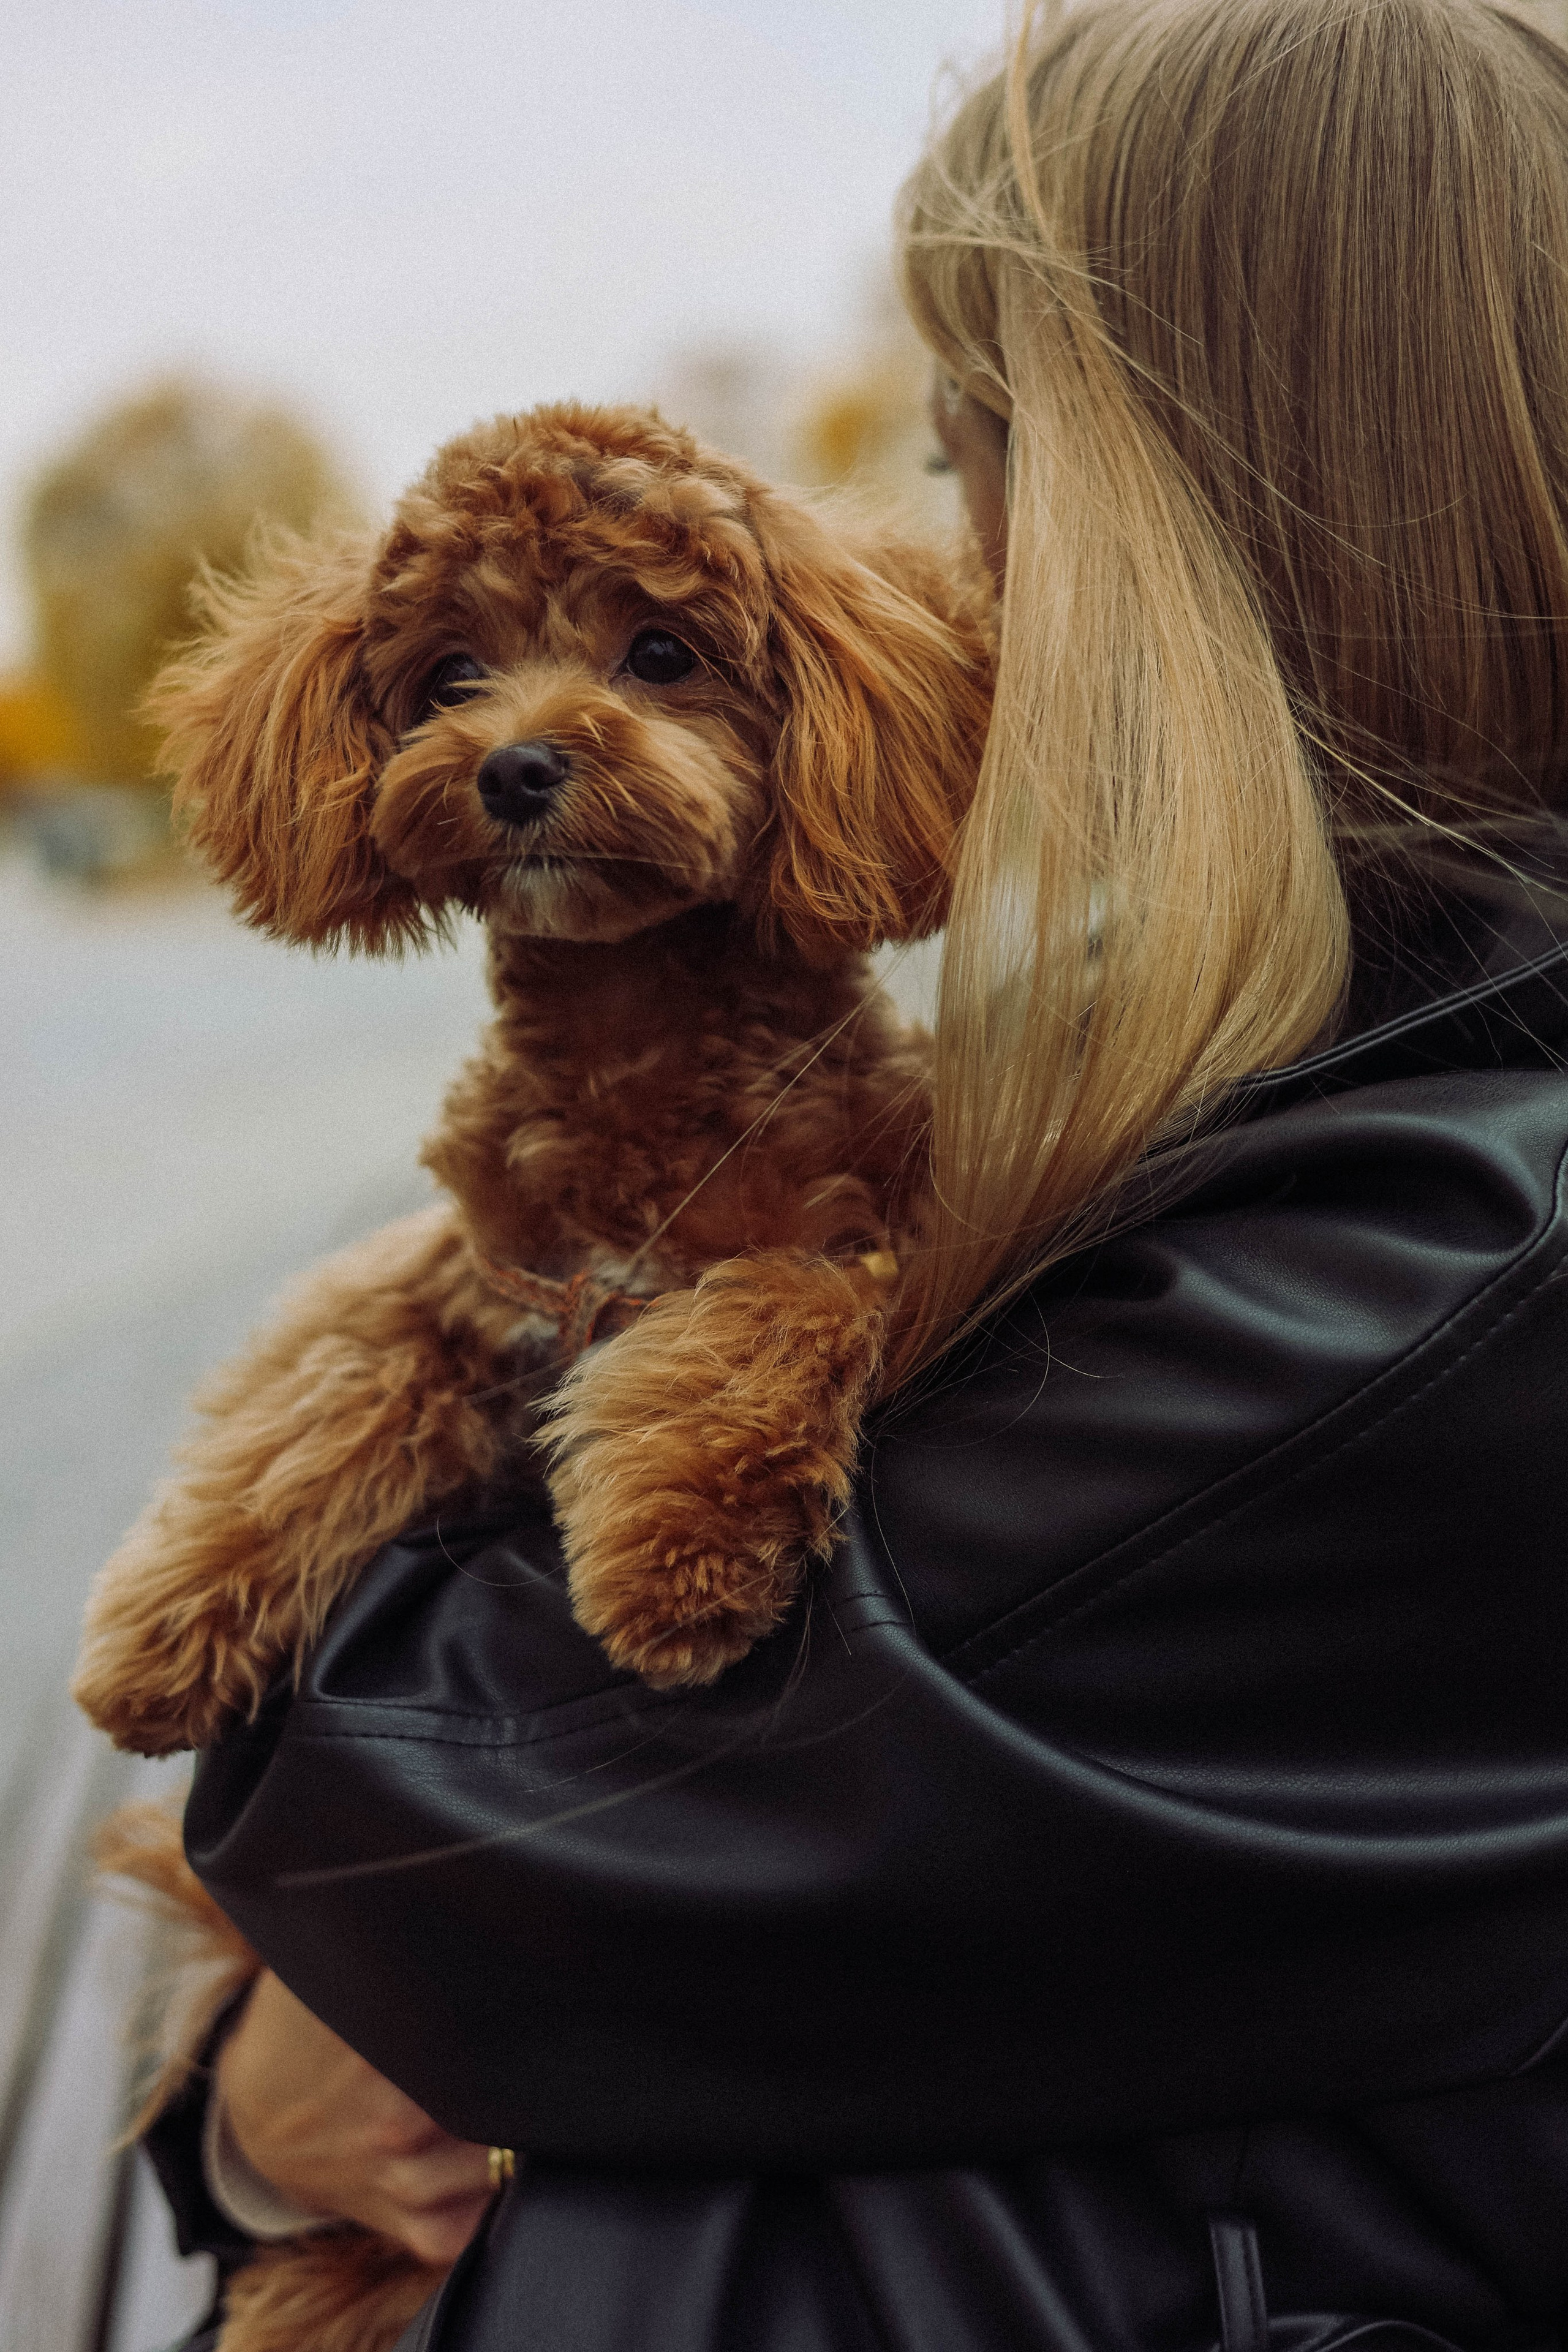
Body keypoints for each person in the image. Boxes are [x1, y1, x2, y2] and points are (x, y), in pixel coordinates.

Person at [138, 0, 1568, 2343]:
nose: (957, 550)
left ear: (1205, 511)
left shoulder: (1443, 1260)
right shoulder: (1324, 1070)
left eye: (979, 450)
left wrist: (267, 2044)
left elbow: (462, 1812)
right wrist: (251, 2089)